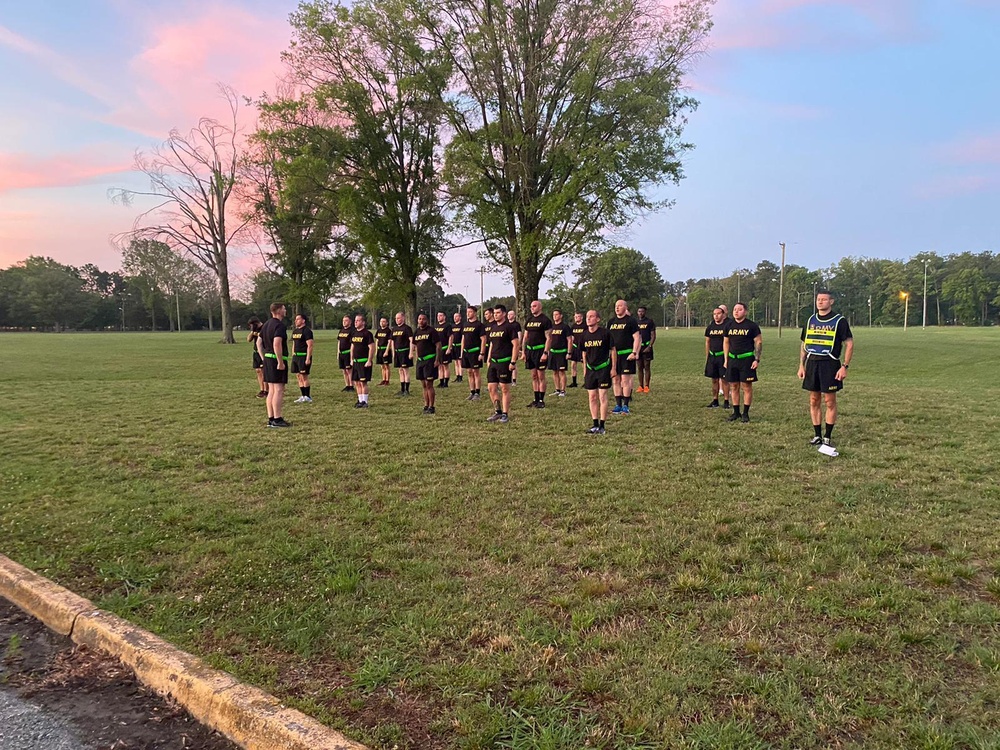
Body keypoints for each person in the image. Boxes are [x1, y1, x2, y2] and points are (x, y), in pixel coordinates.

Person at [798, 289, 854, 447]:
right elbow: (804, 344)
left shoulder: (839, 321)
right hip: (812, 363)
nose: (820, 302)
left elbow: (849, 344)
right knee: (814, 400)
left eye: (824, 299)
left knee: (830, 401)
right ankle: (817, 435)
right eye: (818, 299)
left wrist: (844, 366)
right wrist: (801, 365)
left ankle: (827, 436)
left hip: (829, 364)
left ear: (831, 302)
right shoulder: (810, 320)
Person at [579, 309, 617, 434]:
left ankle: (602, 425)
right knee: (592, 397)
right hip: (591, 370)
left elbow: (613, 351)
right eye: (587, 317)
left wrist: (613, 368)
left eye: (591, 316)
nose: (588, 319)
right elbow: (584, 354)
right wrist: (585, 369)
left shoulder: (605, 334)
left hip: (604, 369)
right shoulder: (584, 335)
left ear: (598, 319)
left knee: (602, 396)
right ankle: (594, 424)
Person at [722, 302, 762, 423]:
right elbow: (726, 342)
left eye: (739, 309)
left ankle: (745, 413)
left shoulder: (752, 326)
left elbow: (758, 342)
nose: (736, 311)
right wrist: (726, 359)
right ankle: (736, 412)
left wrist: (757, 359)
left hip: (747, 360)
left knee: (746, 386)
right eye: (734, 309)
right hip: (732, 359)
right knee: (734, 386)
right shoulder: (729, 325)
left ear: (745, 311)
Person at [257, 302, 291, 428]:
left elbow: (258, 343)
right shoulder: (279, 326)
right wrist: (280, 362)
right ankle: (277, 418)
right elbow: (277, 344)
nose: (285, 310)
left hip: (267, 360)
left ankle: (271, 418)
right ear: (278, 311)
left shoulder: (266, 324)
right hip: (276, 361)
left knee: (271, 390)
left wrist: (263, 357)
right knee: (278, 390)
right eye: (284, 309)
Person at [485, 304, 520, 423]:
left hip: (505, 362)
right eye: (494, 313)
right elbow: (491, 345)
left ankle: (505, 413)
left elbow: (516, 344)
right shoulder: (493, 328)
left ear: (504, 314)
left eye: (498, 313)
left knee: (504, 388)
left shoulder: (509, 328)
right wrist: (488, 359)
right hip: (493, 362)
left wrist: (513, 361)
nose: (495, 315)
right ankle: (497, 412)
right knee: (491, 388)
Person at [608, 299, 641, 414]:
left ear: (625, 307)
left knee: (625, 380)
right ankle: (618, 404)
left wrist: (634, 352)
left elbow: (637, 337)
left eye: (620, 306)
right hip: (614, 355)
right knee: (616, 379)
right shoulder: (611, 322)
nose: (617, 308)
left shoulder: (631, 321)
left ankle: (625, 405)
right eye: (616, 306)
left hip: (627, 355)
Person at [522, 299, 552, 408]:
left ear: (540, 307)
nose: (532, 308)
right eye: (531, 306)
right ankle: (535, 399)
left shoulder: (545, 320)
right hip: (530, 351)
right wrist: (524, 351)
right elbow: (525, 337)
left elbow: (548, 338)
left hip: (540, 350)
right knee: (534, 376)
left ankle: (541, 400)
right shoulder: (529, 320)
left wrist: (545, 352)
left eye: (534, 306)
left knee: (541, 376)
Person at [413, 312, 443, 414]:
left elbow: (438, 345)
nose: (421, 321)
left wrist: (437, 360)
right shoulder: (416, 332)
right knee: (423, 385)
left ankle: (431, 406)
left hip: (430, 360)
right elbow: (416, 346)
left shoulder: (432, 331)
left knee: (429, 384)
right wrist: (417, 357)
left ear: (427, 320)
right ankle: (426, 405)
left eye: (423, 319)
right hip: (420, 361)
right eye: (419, 319)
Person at [703, 307, 730, 409]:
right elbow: (707, 342)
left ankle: (726, 401)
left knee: (724, 379)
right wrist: (707, 356)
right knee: (714, 380)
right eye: (714, 314)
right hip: (712, 356)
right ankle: (715, 400)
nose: (716, 316)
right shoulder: (710, 327)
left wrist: (727, 358)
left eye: (718, 314)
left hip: (722, 356)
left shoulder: (726, 327)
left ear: (723, 315)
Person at [460, 305, 488, 401]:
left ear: (475, 313)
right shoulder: (465, 324)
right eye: (467, 312)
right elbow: (463, 338)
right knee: (469, 372)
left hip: (475, 352)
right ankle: (471, 392)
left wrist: (482, 353)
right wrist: (461, 352)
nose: (468, 314)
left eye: (470, 312)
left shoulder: (479, 325)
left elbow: (483, 339)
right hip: (466, 352)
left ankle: (477, 392)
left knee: (476, 372)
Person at [349, 313, 376, 408]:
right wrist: (351, 359)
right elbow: (352, 347)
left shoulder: (367, 334)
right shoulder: (354, 333)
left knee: (363, 382)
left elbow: (372, 347)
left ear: (363, 322)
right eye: (355, 320)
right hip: (355, 362)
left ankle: (365, 401)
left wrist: (369, 360)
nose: (356, 322)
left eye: (358, 320)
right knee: (356, 382)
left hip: (363, 361)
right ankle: (360, 400)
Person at [386, 312, 414, 397]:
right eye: (396, 318)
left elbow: (411, 340)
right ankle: (402, 389)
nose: (397, 320)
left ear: (403, 318)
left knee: (405, 370)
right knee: (400, 370)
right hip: (397, 352)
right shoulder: (394, 329)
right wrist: (393, 353)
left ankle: (407, 390)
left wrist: (411, 352)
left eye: (398, 318)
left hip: (405, 351)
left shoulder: (407, 328)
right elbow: (392, 341)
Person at [546, 309, 573, 397]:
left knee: (561, 371)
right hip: (553, 352)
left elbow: (569, 340)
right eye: (553, 315)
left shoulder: (565, 327)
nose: (555, 316)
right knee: (554, 371)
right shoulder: (552, 327)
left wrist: (569, 352)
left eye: (557, 314)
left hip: (562, 352)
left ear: (561, 316)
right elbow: (549, 339)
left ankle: (563, 390)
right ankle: (557, 389)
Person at [290, 313, 314, 403]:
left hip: (303, 356)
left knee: (304, 376)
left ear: (303, 320)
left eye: (298, 319)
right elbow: (294, 344)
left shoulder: (307, 331)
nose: (296, 321)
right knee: (298, 376)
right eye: (295, 319)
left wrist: (308, 358)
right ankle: (303, 395)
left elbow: (310, 345)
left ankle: (307, 396)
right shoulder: (295, 331)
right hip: (296, 357)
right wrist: (293, 354)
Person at [635, 306, 656, 393]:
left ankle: (647, 386)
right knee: (639, 367)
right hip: (638, 348)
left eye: (642, 311)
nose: (641, 313)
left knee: (647, 366)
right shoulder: (635, 322)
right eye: (639, 311)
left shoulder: (649, 321)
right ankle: (640, 386)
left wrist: (649, 346)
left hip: (647, 347)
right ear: (637, 312)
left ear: (645, 312)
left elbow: (653, 335)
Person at [247, 317, 267, 398]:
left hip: (263, 352)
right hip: (256, 352)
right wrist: (252, 332)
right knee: (258, 371)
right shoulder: (254, 330)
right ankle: (262, 389)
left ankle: (266, 390)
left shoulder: (264, 328)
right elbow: (248, 340)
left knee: (264, 372)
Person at [434, 311, 453, 388]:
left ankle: (446, 382)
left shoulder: (447, 326)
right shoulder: (436, 326)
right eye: (438, 316)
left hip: (445, 348)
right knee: (439, 366)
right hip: (438, 349)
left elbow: (451, 337)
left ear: (444, 317)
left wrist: (449, 347)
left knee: (445, 366)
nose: (439, 317)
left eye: (441, 315)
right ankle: (441, 381)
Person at [568, 310, 586, 388]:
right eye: (575, 317)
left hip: (582, 348)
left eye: (577, 316)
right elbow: (572, 338)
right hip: (575, 348)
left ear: (581, 317)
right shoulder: (573, 326)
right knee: (573, 365)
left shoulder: (585, 326)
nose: (576, 318)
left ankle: (586, 381)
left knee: (584, 364)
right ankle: (574, 382)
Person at [337, 315, 354, 392]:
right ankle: (347, 385)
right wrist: (338, 352)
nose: (344, 322)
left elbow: (352, 344)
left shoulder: (352, 331)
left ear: (350, 322)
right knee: (344, 370)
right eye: (343, 320)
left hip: (348, 352)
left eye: (346, 320)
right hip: (341, 353)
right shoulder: (341, 331)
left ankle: (351, 386)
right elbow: (339, 341)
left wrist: (351, 355)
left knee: (349, 370)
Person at [374, 316, 392, 386]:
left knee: (386, 365)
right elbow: (377, 340)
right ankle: (383, 379)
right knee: (382, 366)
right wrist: (376, 350)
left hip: (385, 349)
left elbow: (389, 341)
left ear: (387, 323)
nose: (382, 323)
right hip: (380, 349)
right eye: (381, 321)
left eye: (383, 321)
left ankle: (387, 380)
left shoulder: (388, 331)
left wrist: (387, 351)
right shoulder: (379, 330)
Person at [506, 309, 522, 386]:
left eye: (511, 314)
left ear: (514, 316)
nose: (509, 316)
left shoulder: (516, 324)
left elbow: (519, 334)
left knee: (513, 362)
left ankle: (514, 380)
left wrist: (519, 345)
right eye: (508, 314)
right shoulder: (505, 324)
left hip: (514, 345)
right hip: (507, 346)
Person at [451, 312, 464, 383]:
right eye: (454, 317)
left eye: (456, 317)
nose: (455, 318)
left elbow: (463, 336)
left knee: (459, 361)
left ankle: (461, 377)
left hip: (459, 345)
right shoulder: (452, 326)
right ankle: (457, 376)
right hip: (454, 346)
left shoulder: (462, 326)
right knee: (455, 362)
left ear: (460, 317)